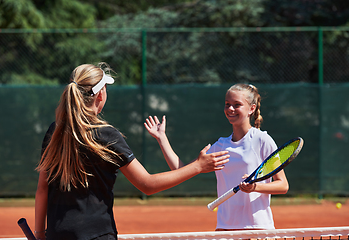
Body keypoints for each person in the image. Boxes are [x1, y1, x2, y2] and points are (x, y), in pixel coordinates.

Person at [34, 62, 230, 240]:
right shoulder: (106, 135)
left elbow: (43, 188)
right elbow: (147, 184)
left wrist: (39, 234)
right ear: (101, 95)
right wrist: (198, 166)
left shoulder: (55, 131)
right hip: (98, 236)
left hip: (56, 236)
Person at [145, 83, 289, 231]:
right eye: (227, 104)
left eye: (236, 104)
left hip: (257, 227)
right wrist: (161, 138)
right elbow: (180, 169)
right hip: (225, 228)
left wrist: (254, 187)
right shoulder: (220, 146)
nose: (230, 109)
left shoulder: (262, 140)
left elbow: (283, 185)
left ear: (251, 109)